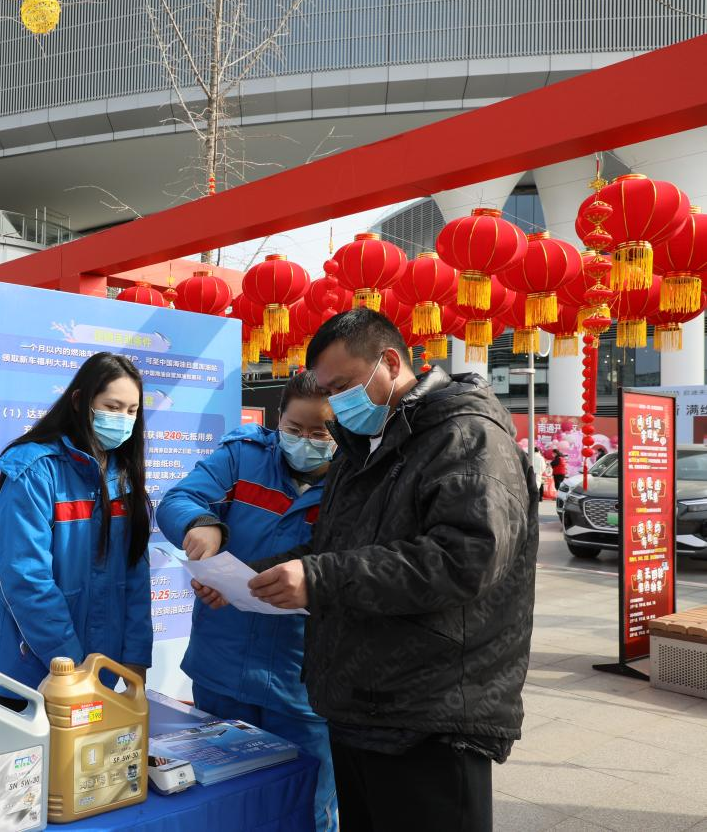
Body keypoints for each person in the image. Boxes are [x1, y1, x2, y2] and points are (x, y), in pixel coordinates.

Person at [244, 309, 537, 832]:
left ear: (391, 363)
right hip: (358, 701)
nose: (336, 403)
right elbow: (335, 546)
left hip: (430, 713)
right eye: (327, 391)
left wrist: (319, 578)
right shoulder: (361, 448)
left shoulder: (466, 435)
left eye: (343, 386)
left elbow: (465, 558)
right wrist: (255, 575)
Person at [158, 371, 338, 831]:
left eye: (320, 433)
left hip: (301, 686)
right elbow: (179, 499)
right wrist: (201, 524)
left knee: (305, 810)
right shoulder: (244, 456)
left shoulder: (353, 481)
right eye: (294, 429)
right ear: (278, 420)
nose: (305, 441)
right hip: (222, 667)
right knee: (222, 807)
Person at [0, 352, 153, 691]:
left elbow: (136, 576)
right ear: (79, 401)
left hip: (99, 674)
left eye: (132, 411)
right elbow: (26, 578)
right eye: (112, 407)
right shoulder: (35, 470)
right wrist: (71, 668)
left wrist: (135, 659)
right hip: (33, 674)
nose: (123, 419)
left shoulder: (123, 478)